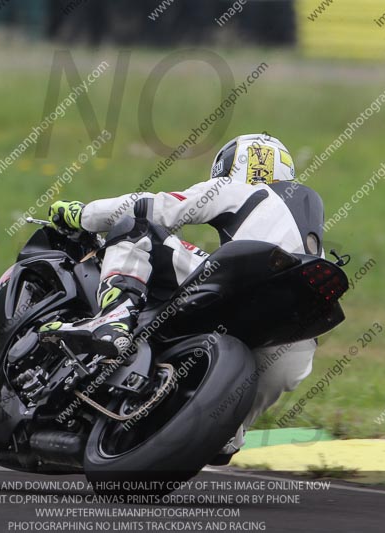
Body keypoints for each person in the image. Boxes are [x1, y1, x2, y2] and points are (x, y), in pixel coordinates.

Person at [38, 133, 324, 458]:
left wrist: (83, 214)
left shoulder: (237, 188)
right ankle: (227, 434)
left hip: (246, 287)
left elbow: (155, 208)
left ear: (228, 167)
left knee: (136, 226)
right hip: (299, 329)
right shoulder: (308, 208)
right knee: (227, 437)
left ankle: (114, 316)